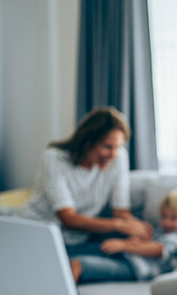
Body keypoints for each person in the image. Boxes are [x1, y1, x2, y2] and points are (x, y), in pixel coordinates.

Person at [17, 106, 152, 257]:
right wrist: (119, 225)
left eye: (118, 147)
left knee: (127, 252)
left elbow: (121, 212)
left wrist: (137, 228)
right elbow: (68, 219)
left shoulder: (119, 157)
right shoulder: (54, 158)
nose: (113, 154)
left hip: (79, 240)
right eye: (107, 147)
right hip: (39, 234)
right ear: (88, 141)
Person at [70, 187, 177, 284]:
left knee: (79, 264)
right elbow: (148, 244)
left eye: (173, 218)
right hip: (126, 258)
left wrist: (124, 246)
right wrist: (135, 241)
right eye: (164, 217)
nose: (166, 222)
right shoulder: (163, 231)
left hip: (135, 269)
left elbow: (159, 249)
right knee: (75, 255)